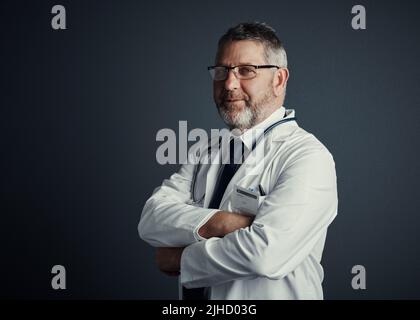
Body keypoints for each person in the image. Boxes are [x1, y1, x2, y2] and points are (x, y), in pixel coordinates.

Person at [138, 22, 338, 300]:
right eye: (222, 71)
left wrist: (179, 259)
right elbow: (150, 219)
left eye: (246, 71)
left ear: (279, 80)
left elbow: (265, 255)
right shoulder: (205, 152)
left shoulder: (307, 157)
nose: (229, 84)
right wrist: (221, 223)